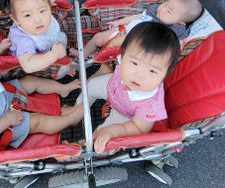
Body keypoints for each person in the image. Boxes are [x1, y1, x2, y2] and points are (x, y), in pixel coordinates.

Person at [75, 22, 180, 153]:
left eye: (152, 71)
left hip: (124, 114)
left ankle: (85, 149)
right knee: (90, 86)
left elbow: (138, 128)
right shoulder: (124, 63)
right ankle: (75, 112)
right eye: (135, 63)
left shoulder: (150, 105)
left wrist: (111, 131)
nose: (139, 75)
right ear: (122, 55)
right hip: (114, 86)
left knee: (103, 141)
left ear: (165, 74)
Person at [70, 0, 202, 71]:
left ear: (180, 23)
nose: (162, 8)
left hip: (131, 47)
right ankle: (82, 55)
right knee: (98, 38)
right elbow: (139, 16)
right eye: (166, 3)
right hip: (123, 32)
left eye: (169, 11)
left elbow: (174, 46)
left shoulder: (171, 32)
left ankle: (91, 70)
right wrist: (120, 22)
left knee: (107, 64)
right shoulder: (154, 13)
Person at [0, 0, 75, 78]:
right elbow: (28, 66)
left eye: (42, 11)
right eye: (27, 15)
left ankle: (63, 57)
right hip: (32, 65)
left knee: (61, 36)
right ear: (15, 19)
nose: (38, 20)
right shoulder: (23, 40)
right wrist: (54, 55)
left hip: (46, 48)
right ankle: (65, 68)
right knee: (62, 70)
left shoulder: (36, 18)